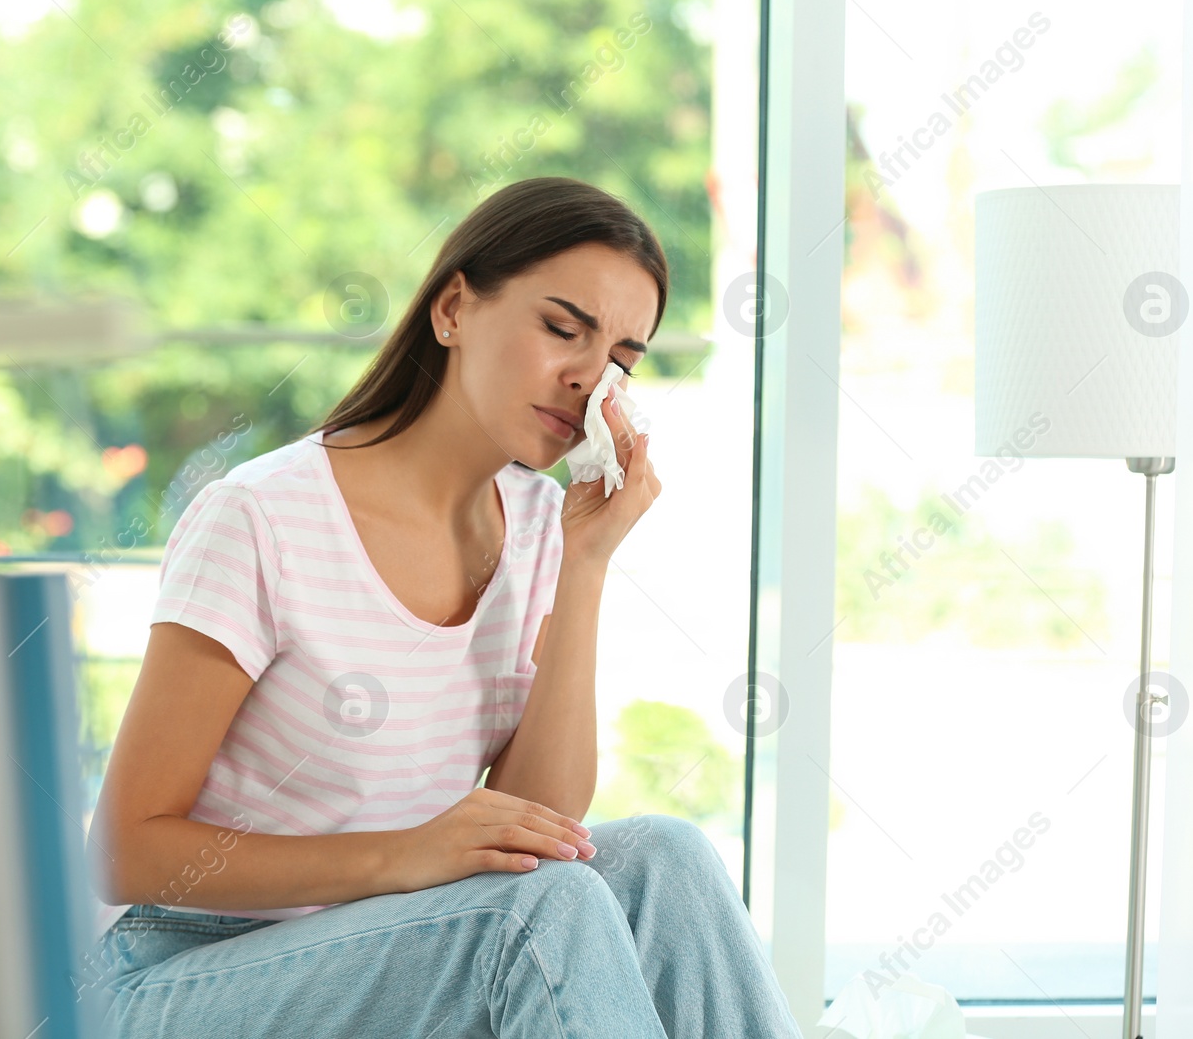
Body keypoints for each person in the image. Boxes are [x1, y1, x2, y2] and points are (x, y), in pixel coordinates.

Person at [85, 176, 803, 1037]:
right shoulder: (262, 516)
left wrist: (587, 562)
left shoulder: (541, 524)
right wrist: (404, 856)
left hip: (398, 936)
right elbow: (126, 850)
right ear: (455, 308)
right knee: (534, 914)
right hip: (180, 971)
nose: (588, 378)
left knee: (668, 859)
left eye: (619, 359)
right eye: (562, 328)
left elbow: (542, 824)